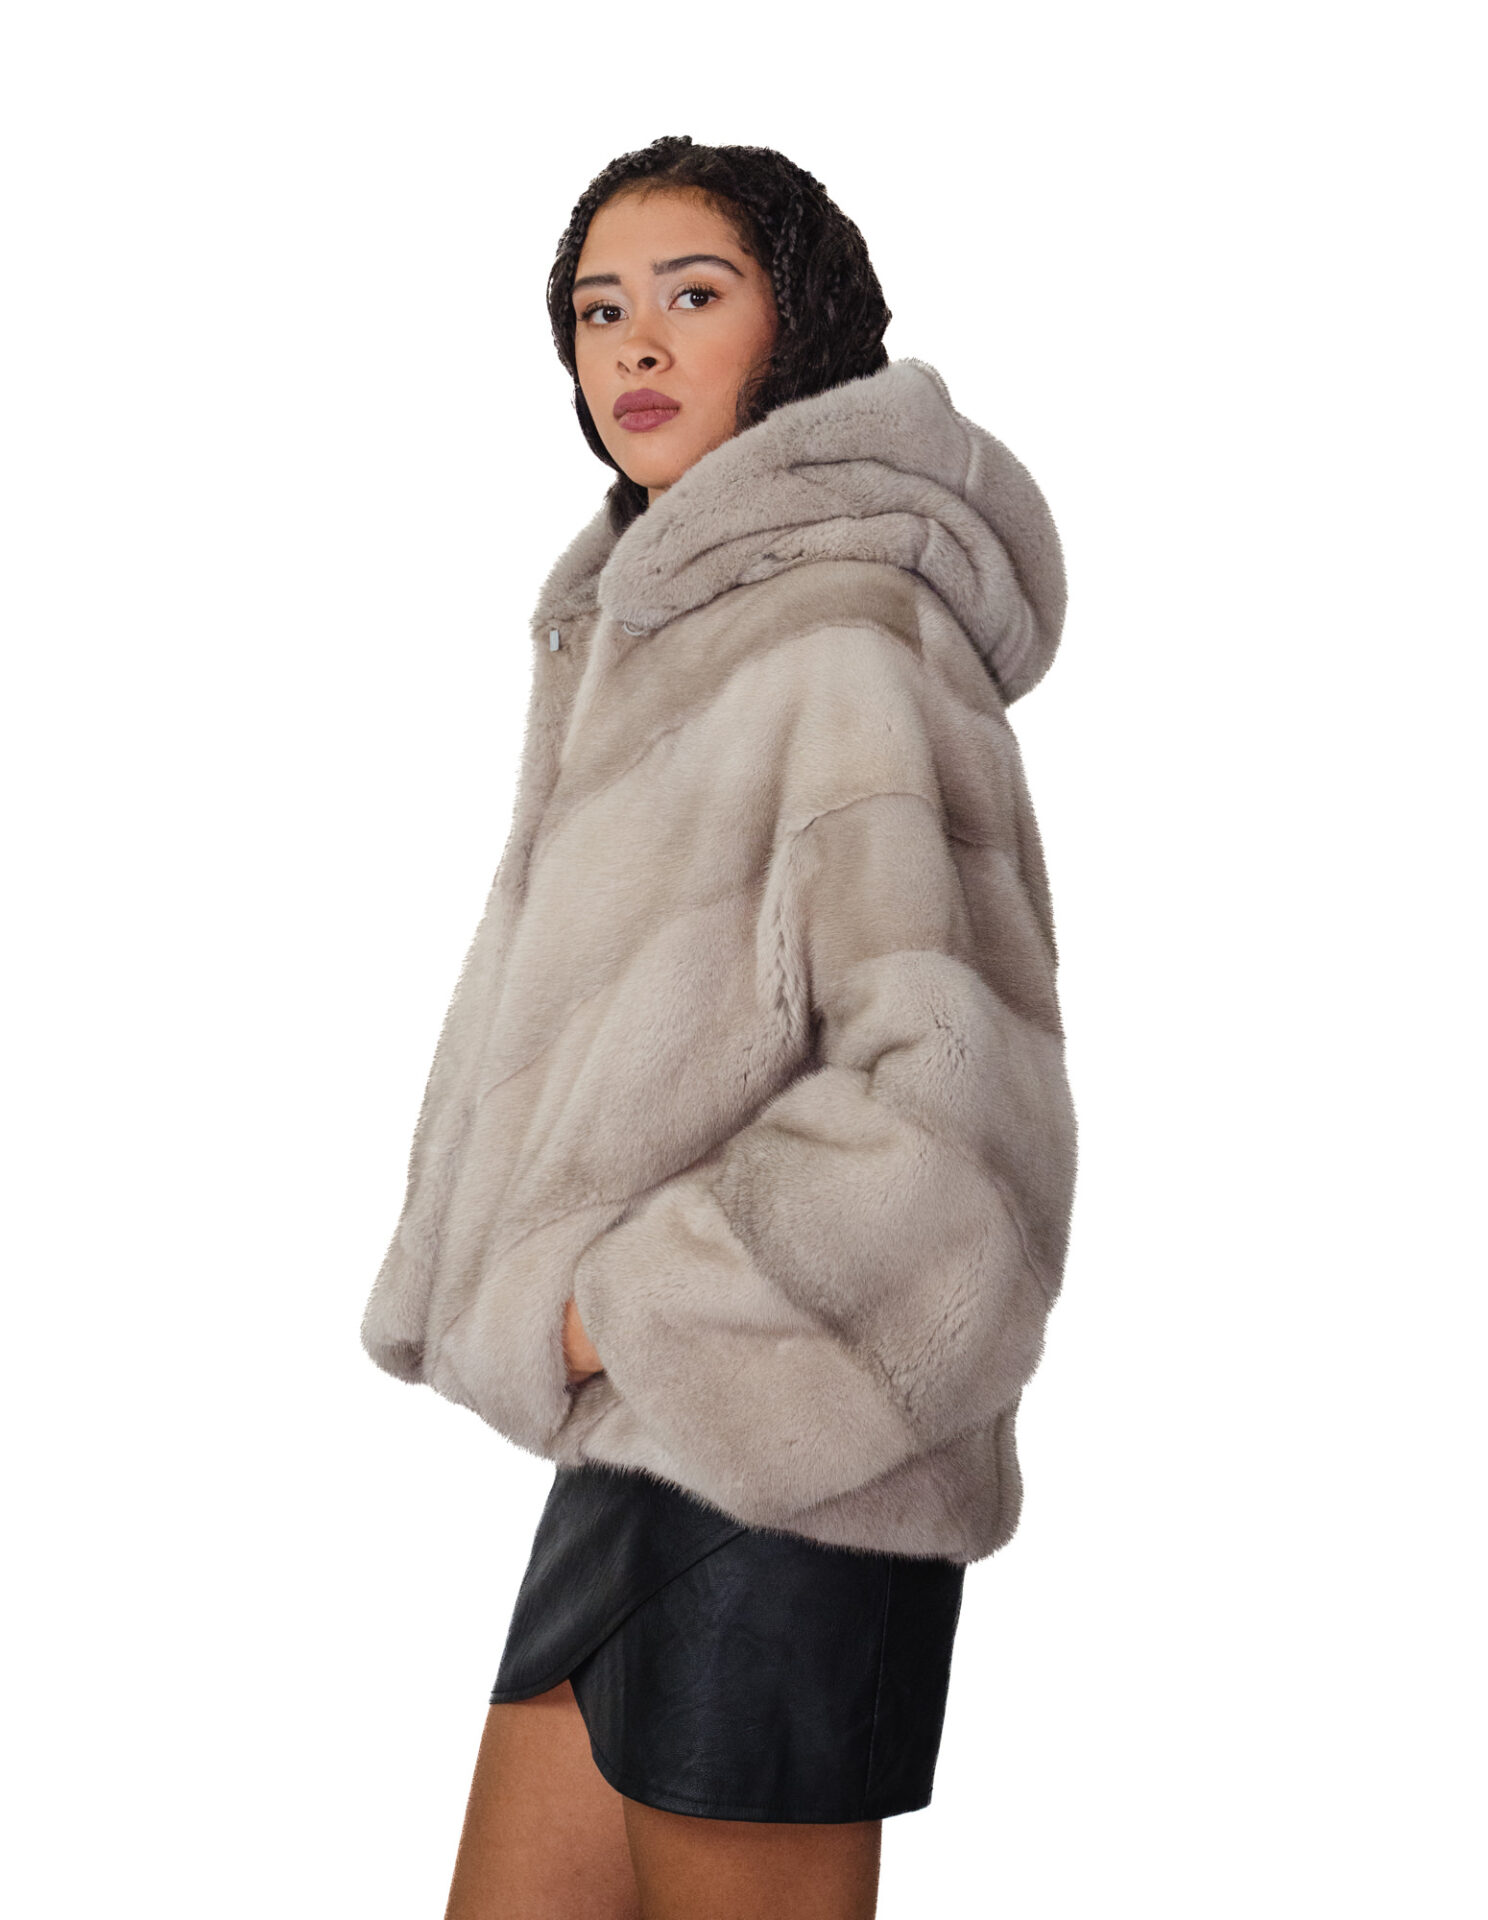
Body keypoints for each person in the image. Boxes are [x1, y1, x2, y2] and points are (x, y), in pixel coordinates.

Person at [360, 133, 1078, 1920]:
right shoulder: (645, 627)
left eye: (694, 294)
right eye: (599, 310)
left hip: (803, 1467)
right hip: (640, 1461)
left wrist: (620, 1308)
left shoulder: (849, 636)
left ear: (798, 322)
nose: (637, 344)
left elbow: (948, 1118)